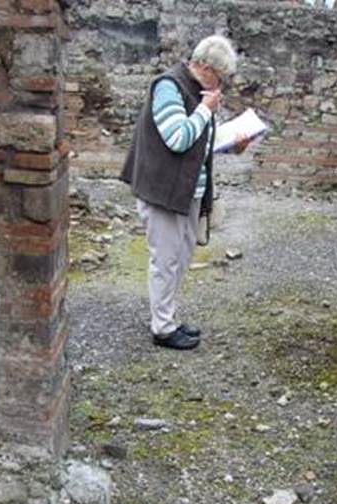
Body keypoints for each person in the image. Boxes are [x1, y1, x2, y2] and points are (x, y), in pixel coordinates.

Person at [120, 34, 248, 350]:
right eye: (218, 77)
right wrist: (205, 109)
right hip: (163, 188)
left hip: (188, 190)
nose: (220, 85)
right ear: (203, 66)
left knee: (181, 256)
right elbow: (177, 138)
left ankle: (168, 318)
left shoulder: (197, 90)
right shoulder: (169, 86)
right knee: (165, 259)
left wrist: (234, 146)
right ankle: (162, 328)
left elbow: (199, 145)